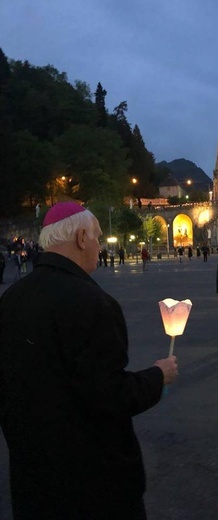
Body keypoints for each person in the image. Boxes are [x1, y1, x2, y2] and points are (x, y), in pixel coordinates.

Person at [0, 202, 178, 520]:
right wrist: (157, 376)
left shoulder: (11, 298)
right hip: (92, 483)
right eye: (97, 237)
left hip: (33, 475)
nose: (99, 245)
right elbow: (109, 395)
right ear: (81, 237)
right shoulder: (92, 302)